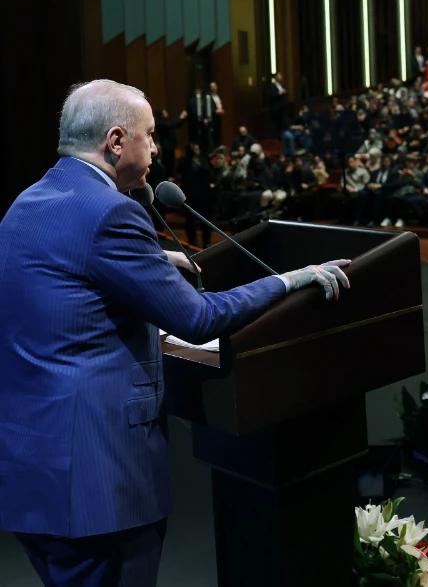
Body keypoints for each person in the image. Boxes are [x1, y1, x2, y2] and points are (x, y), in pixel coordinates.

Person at [0, 80, 351, 587]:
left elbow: (62, 274)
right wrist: (288, 280)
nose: (158, 147)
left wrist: (150, 258)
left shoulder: (27, 203)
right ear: (116, 141)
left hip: (34, 475)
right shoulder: (112, 213)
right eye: (151, 135)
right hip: (100, 485)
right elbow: (197, 319)